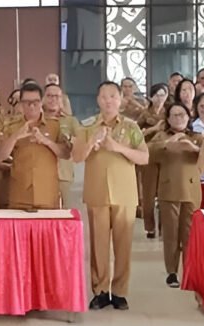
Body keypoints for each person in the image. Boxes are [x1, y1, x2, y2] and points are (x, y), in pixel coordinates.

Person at [73, 81, 148, 311]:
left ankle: (120, 291)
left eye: (113, 96)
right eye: (104, 96)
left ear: (121, 99)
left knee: (123, 246)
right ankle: (100, 290)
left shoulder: (131, 126)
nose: (108, 100)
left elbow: (144, 158)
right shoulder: (86, 126)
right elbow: (76, 157)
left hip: (125, 193)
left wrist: (118, 147)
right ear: (97, 100)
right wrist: (92, 141)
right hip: (97, 192)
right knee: (99, 246)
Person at [148, 103, 202, 288]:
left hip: (191, 191)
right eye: (174, 115)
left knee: (189, 234)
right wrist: (168, 143)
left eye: (182, 114)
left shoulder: (196, 137)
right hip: (168, 190)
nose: (179, 118)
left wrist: (193, 148)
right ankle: (171, 271)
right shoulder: (161, 136)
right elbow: (148, 152)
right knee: (171, 234)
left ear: (189, 117)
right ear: (168, 119)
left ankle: (189, 270)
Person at [0, 83, 67, 210]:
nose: (31, 106)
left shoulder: (55, 125)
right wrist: (15, 136)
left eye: (36, 102)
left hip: (47, 193)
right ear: (21, 104)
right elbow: (0, 157)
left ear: (42, 102)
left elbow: (65, 154)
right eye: (27, 102)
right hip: (20, 193)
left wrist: (46, 141)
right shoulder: (11, 126)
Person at [136, 83, 169, 238]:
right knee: (148, 193)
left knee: (164, 192)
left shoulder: (169, 113)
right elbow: (136, 135)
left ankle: (164, 227)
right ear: (151, 97)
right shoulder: (144, 114)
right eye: (157, 95)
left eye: (163, 95)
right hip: (147, 154)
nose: (160, 98)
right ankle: (150, 227)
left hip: (165, 154)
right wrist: (154, 128)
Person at [43, 83, 79, 207]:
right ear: (43, 98)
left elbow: (80, 143)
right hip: (41, 173)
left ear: (62, 99)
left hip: (63, 173)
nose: (53, 99)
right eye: (49, 96)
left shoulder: (70, 121)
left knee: (64, 212)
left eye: (57, 96)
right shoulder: (37, 120)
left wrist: (70, 140)